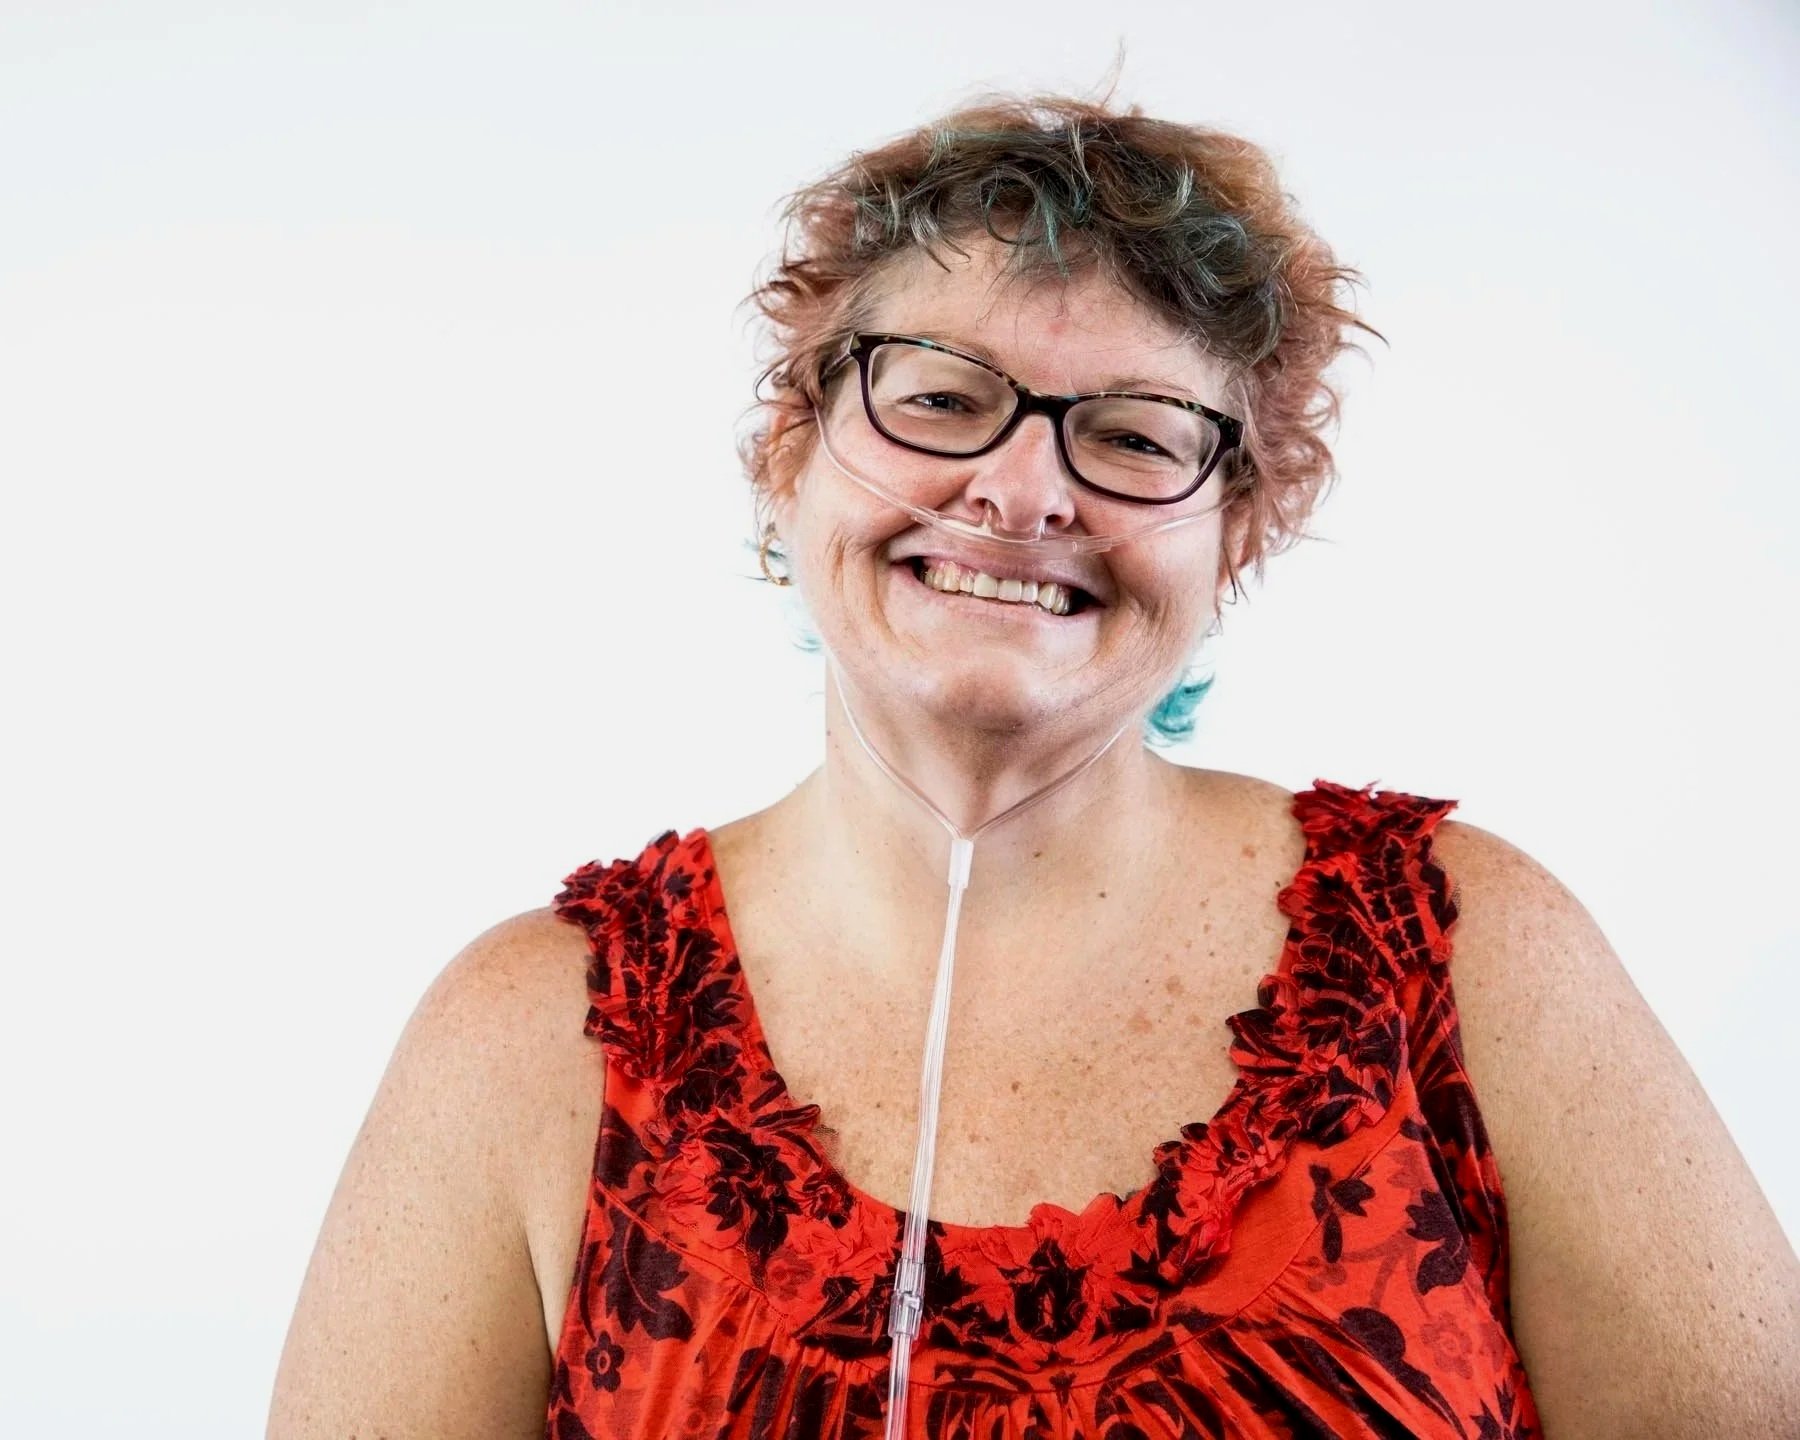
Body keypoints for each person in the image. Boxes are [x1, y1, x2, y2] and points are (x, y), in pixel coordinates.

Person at [268, 89, 1800, 1438]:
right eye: (938, 397)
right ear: (788, 458)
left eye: (1134, 438)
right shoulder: (534, 1039)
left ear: (1240, 531)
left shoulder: (1460, 960)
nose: (1021, 491)